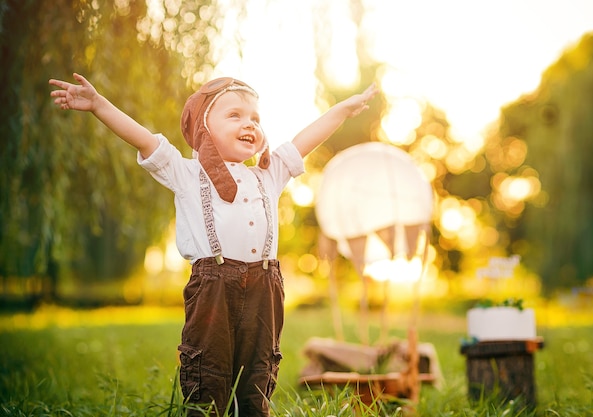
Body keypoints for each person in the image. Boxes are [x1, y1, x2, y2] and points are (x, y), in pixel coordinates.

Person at [49, 72, 378, 416]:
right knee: (208, 371)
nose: (249, 124)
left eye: (255, 118)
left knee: (258, 372)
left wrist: (341, 110)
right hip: (213, 289)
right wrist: (99, 105)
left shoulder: (268, 175)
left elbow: (304, 141)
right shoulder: (188, 174)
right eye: (234, 115)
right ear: (204, 127)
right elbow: (145, 141)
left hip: (265, 289)